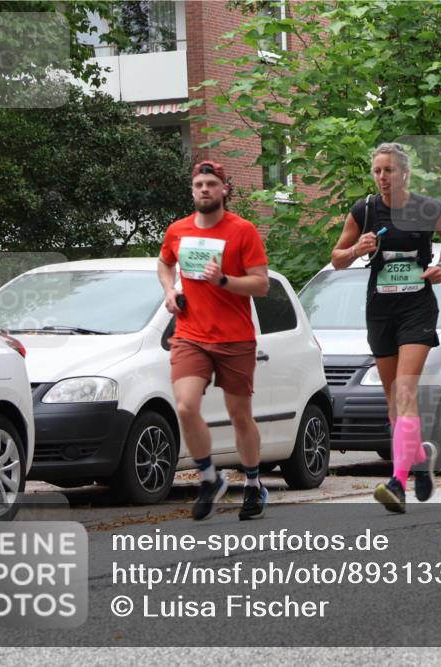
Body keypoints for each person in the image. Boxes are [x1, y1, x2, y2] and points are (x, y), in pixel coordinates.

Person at [330, 143, 441, 513]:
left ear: (405, 173)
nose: (382, 178)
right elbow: (336, 258)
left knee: (405, 391)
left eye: (389, 171)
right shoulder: (365, 210)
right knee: (394, 404)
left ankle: (397, 482)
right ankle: (419, 457)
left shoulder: (428, 208)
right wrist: (356, 249)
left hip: (417, 308)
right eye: (377, 171)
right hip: (381, 310)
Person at [158, 160, 271, 521]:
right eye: (198, 184)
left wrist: (224, 281)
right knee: (186, 406)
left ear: (224, 190)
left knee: (240, 416)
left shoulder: (242, 231)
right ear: (192, 190)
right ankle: (209, 477)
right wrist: (169, 289)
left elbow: (261, 283)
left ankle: (253, 484)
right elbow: (164, 263)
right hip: (190, 334)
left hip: (235, 338)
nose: (204, 189)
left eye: (211, 184)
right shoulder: (178, 230)